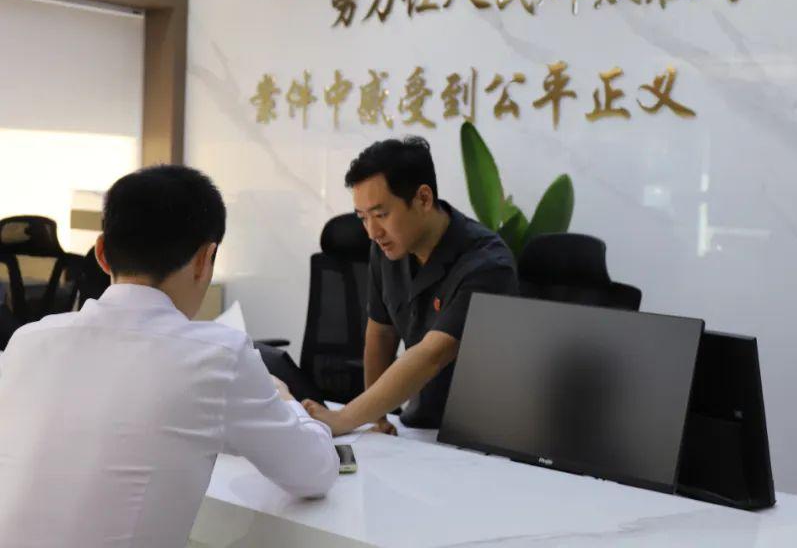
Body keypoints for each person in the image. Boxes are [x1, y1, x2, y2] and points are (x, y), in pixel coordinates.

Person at [0, 166, 339, 548]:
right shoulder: (218, 356)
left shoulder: (27, 342)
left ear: (102, 254)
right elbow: (314, 472)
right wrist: (287, 401)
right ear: (205, 258)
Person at [304, 136, 516, 434]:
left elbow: (432, 354)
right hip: (417, 425)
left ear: (423, 199)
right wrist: (376, 418)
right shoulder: (387, 249)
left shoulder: (487, 264)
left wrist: (344, 418)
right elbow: (381, 333)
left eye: (381, 215)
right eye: (363, 218)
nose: (372, 232)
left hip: (478, 434)